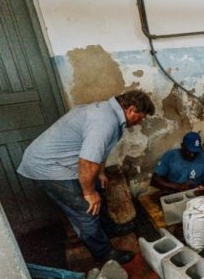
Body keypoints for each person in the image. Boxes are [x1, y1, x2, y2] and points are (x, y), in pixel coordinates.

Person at [17, 90, 155, 264]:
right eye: (141, 117)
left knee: (99, 190)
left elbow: (100, 150)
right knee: (86, 210)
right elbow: (87, 162)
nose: (140, 122)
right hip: (50, 166)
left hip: (66, 163)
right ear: (131, 109)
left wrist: (101, 173)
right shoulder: (104, 121)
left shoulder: (108, 113)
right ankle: (104, 254)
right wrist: (89, 193)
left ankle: (109, 228)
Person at [151, 131, 204, 198]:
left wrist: (203, 187)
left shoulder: (203, 158)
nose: (192, 155)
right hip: (173, 193)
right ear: (182, 146)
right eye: (189, 151)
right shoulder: (170, 156)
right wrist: (177, 186)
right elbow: (154, 180)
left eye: (195, 152)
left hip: (195, 193)